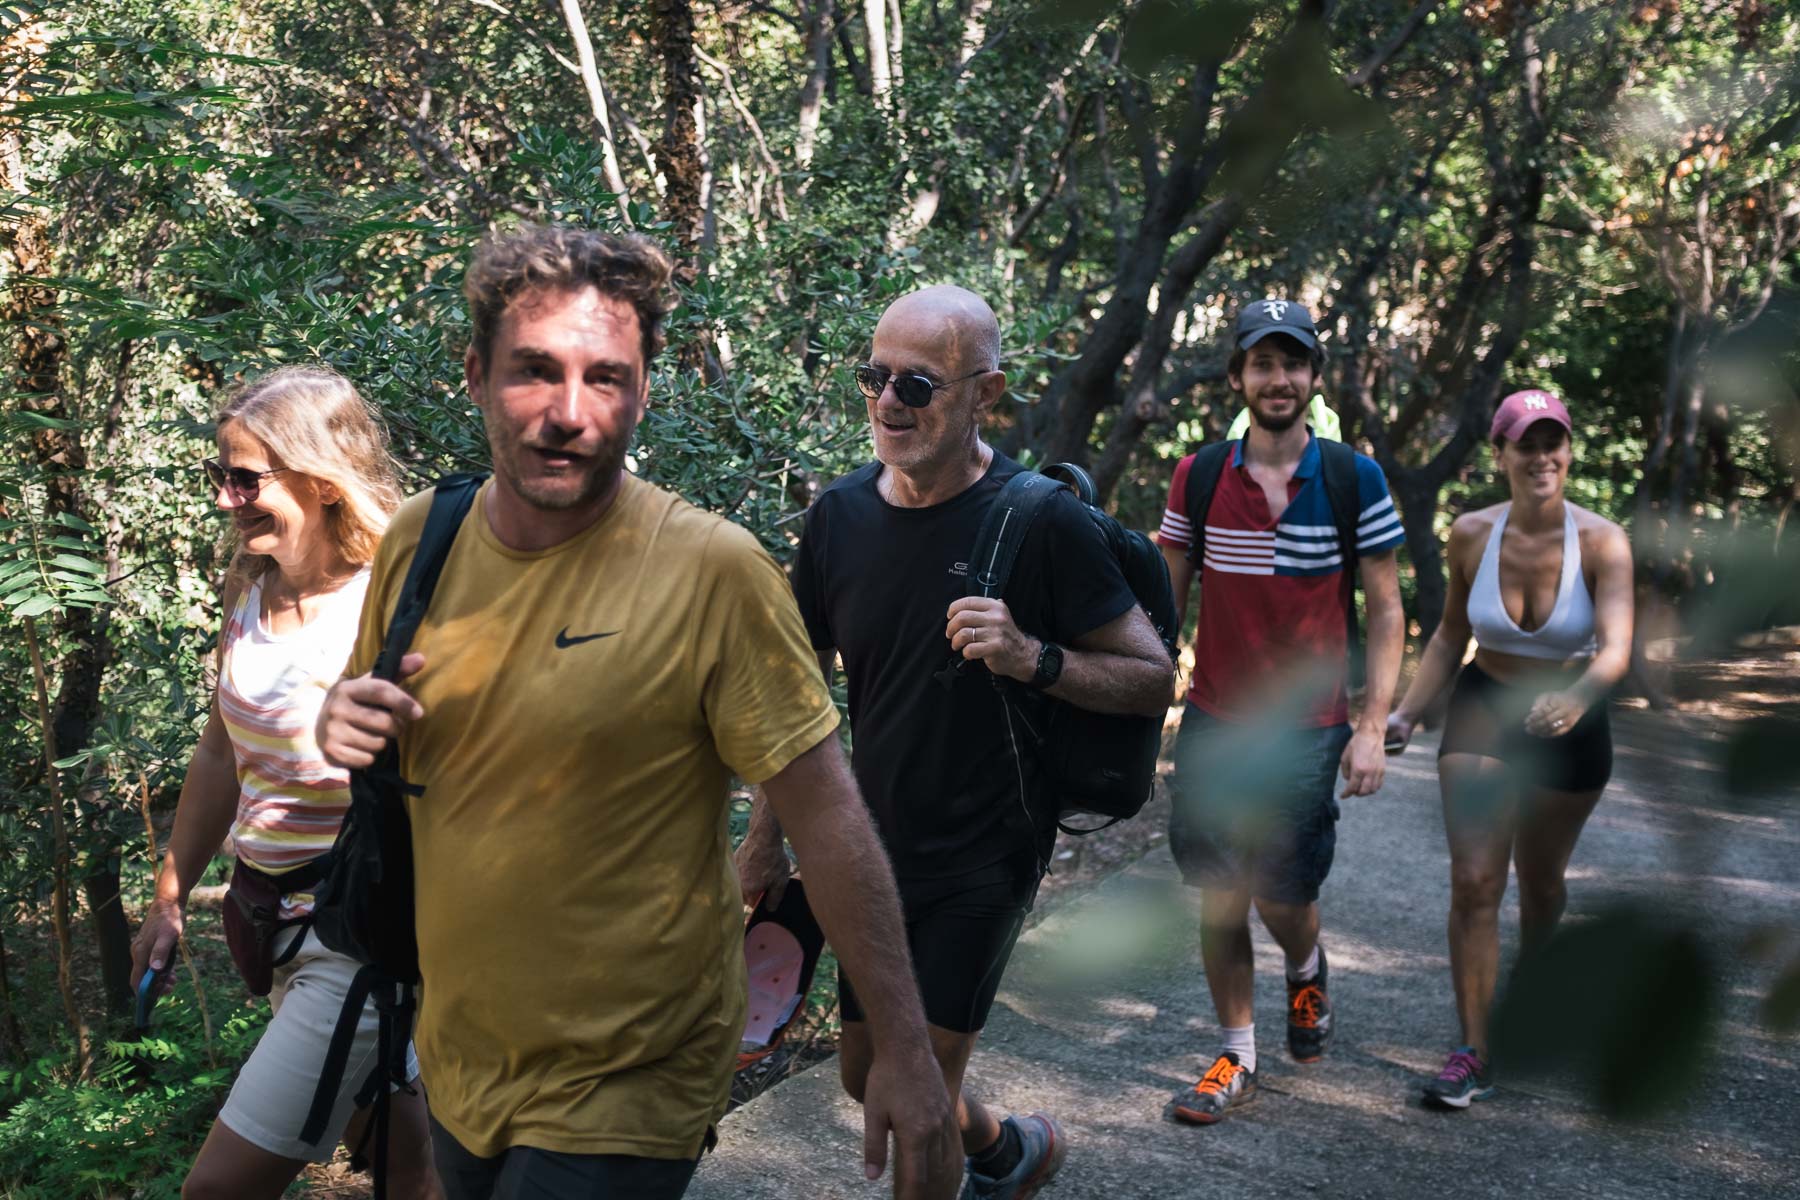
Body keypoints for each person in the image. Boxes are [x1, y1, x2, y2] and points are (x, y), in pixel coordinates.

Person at [314, 224, 960, 1200]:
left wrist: (907, 1053)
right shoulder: (423, 540)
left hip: (634, 1071)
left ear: (645, 389)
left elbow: (829, 819)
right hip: (459, 1059)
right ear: (476, 373)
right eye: (534, 371)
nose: (569, 413)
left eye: (606, 378)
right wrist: (343, 726)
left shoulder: (711, 571)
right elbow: (382, 727)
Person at [738, 285, 1175, 1199]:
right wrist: (765, 837)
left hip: (986, 847)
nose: (889, 402)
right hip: (866, 852)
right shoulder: (838, 518)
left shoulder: (1040, 520)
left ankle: (969, 1148)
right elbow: (795, 687)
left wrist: (1032, 657)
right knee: (870, 1078)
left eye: (919, 384)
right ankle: (1007, 1152)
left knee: (917, 1090)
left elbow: (1150, 677)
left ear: (987, 393)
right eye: (874, 378)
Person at [128, 367, 441, 1199]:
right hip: (268, 923)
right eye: (217, 475)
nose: (227, 499)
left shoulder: (390, 605)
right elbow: (219, 756)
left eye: (245, 478)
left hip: (355, 940)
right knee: (405, 1164)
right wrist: (170, 897)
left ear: (322, 479)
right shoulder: (249, 585)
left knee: (216, 1191)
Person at [1153, 299, 1405, 1125]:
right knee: (1221, 893)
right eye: (1262, 363)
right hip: (1218, 718)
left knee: (1281, 893)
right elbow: (1165, 596)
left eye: (1292, 362)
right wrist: (1137, 682)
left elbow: (1387, 610)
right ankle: (1238, 1055)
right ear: (1237, 378)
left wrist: (1372, 727)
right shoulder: (1197, 475)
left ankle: (1307, 967)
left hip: (1310, 725)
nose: (1278, 378)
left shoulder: (1351, 477)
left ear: (1313, 377)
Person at [1385, 388, 1633, 1109]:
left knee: (1542, 882)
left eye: (1553, 441)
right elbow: (1448, 636)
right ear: (1500, 456)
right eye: (1526, 443)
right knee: (1474, 881)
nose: (1542, 456)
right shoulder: (1471, 533)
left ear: (1570, 451)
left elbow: (1615, 651)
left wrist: (1577, 699)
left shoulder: (1603, 541)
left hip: (1571, 717)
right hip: (1486, 706)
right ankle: (1474, 1050)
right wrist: (1405, 713)